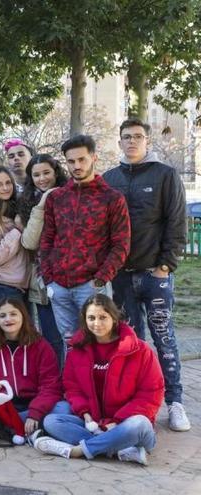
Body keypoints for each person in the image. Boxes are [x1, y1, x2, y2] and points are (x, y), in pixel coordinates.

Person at [103, 118, 189, 432]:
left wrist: (165, 265)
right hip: (122, 277)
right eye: (126, 137)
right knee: (131, 344)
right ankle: (138, 405)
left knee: (164, 339)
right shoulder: (109, 178)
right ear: (119, 142)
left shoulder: (165, 175)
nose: (132, 142)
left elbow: (177, 222)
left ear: (147, 140)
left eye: (138, 136)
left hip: (155, 275)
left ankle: (175, 403)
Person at [34, 295, 164, 466]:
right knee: (52, 421)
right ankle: (117, 449)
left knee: (140, 424)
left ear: (114, 318)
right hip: (95, 422)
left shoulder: (141, 350)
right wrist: (85, 414)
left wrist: (117, 422)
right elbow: (72, 388)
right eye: (91, 318)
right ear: (84, 320)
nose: (97, 323)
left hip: (126, 424)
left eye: (103, 317)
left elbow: (151, 395)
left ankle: (78, 451)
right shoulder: (77, 351)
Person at [39, 135, 130, 343]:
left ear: (94, 158)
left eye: (82, 159)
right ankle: (74, 377)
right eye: (71, 161)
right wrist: (48, 278)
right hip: (59, 286)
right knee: (70, 342)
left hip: (91, 285)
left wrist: (100, 279)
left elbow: (121, 244)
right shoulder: (57, 197)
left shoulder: (112, 198)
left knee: (100, 341)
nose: (76, 166)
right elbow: (47, 239)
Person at [0, 298, 67, 443]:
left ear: (23, 316)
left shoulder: (41, 346)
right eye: (2, 316)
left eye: (13, 314)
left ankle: (7, 428)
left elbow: (51, 386)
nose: (8, 319)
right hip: (1, 407)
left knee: (63, 408)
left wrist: (35, 413)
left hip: (32, 406)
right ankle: (23, 430)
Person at [17, 154, 68, 367]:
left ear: (56, 172)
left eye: (46, 173)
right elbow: (29, 241)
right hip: (42, 277)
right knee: (51, 335)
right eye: (36, 174)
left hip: (69, 272)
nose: (42, 178)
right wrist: (43, 202)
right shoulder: (27, 201)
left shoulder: (70, 195)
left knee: (74, 334)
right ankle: (56, 382)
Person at [0, 166, 29, 304]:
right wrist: (17, 231)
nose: (5, 188)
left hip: (22, 284)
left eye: (8, 183)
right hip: (2, 285)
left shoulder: (17, 208)